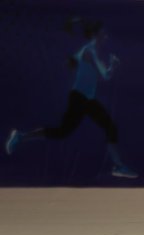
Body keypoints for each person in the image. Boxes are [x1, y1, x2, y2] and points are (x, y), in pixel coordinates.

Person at [7, 18, 136, 178]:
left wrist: (103, 66)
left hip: (87, 100)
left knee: (109, 126)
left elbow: (80, 65)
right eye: (103, 33)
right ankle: (20, 136)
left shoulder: (89, 51)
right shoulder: (89, 50)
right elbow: (105, 75)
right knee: (62, 132)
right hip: (79, 99)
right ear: (95, 34)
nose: (106, 36)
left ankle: (118, 166)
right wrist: (113, 65)